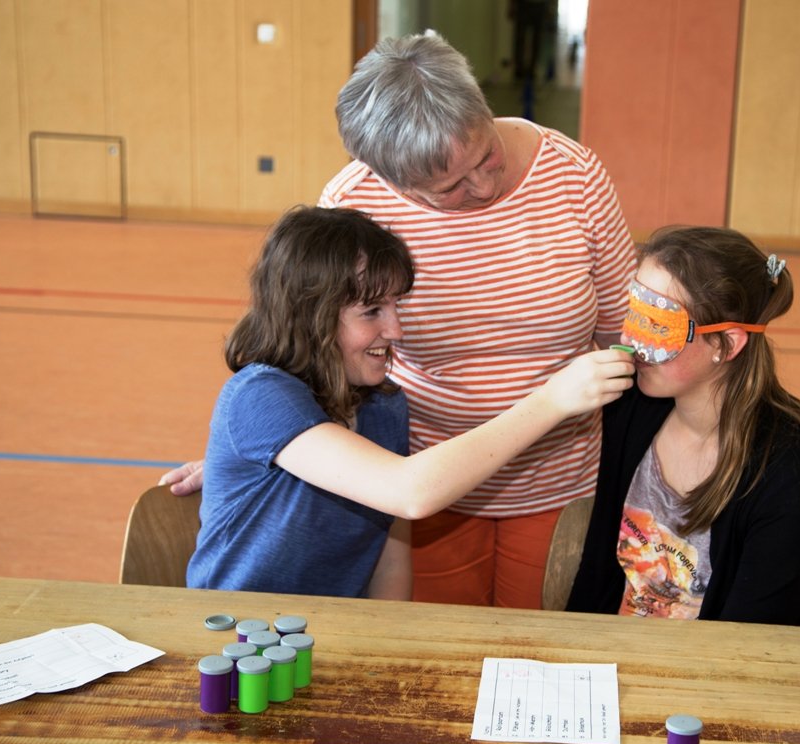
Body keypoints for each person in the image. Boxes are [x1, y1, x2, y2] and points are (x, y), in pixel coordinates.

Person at [163, 31, 637, 610]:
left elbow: (624, 339)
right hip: (418, 471)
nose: (483, 187)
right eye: (450, 187)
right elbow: (307, 336)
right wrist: (266, 454)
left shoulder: (573, 175)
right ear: (392, 181)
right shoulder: (354, 202)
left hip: (556, 480)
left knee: (536, 648)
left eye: (486, 156)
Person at [185, 205, 634, 598]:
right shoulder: (260, 394)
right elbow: (409, 493)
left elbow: (391, 554)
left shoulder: (384, 406)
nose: (396, 330)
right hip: (239, 642)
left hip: (329, 638)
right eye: (372, 312)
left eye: (396, 305)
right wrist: (552, 400)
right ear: (310, 315)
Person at [566, 226, 800, 626]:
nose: (631, 338)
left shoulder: (797, 473)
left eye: (659, 324)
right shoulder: (631, 406)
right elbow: (599, 569)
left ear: (727, 344)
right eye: (633, 310)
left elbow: (752, 640)